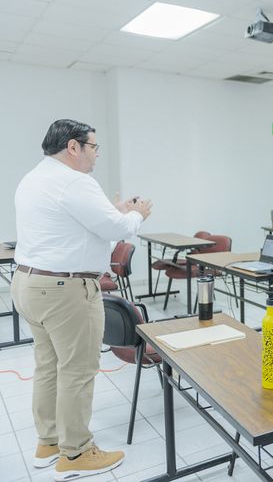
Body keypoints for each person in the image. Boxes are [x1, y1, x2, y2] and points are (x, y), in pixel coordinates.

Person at [12, 119, 152, 480]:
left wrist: (114, 209)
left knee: (48, 365)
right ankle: (75, 454)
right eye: (93, 147)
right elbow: (118, 229)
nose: (96, 154)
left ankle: (49, 443)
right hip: (66, 292)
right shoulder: (75, 181)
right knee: (77, 370)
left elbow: (84, 222)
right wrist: (137, 213)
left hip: (29, 284)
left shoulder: (35, 178)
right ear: (73, 147)